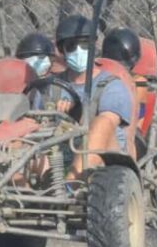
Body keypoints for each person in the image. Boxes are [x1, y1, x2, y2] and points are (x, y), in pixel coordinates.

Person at [52, 15, 135, 177]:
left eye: (84, 45)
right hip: (57, 158)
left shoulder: (112, 85)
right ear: (62, 50)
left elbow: (108, 123)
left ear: (93, 46)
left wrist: (75, 113)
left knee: (102, 122)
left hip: (107, 165)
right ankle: (17, 191)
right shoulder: (50, 87)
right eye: (71, 46)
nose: (79, 51)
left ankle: (72, 185)